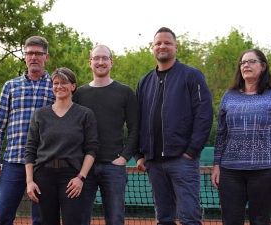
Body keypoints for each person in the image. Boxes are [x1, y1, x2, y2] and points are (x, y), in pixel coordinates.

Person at [134, 27, 213, 225]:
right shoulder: (144, 82)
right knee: (164, 219)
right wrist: (139, 154)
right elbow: (136, 120)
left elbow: (204, 115)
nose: (162, 46)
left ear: (176, 47)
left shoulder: (192, 76)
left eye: (167, 43)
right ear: (152, 48)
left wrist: (191, 151)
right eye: (158, 43)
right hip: (153, 163)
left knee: (190, 218)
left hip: (182, 160)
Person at [210, 49, 271, 225]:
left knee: (261, 221)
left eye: (251, 61)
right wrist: (217, 165)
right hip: (230, 172)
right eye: (242, 62)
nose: (246, 65)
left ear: (263, 66)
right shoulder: (228, 96)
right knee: (230, 221)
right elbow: (221, 134)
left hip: (265, 171)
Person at [0, 36, 54, 225]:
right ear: (25, 56)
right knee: (1, 218)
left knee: (42, 220)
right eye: (29, 53)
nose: (34, 57)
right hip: (13, 163)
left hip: (44, 163)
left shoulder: (56, 86)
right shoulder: (11, 86)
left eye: (38, 54)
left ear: (46, 57)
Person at [73, 44, 139, 225]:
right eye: (96, 58)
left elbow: (135, 128)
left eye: (104, 58)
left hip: (113, 167)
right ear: (90, 62)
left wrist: (125, 157)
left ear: (111, 62)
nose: (100, 62)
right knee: (79, 218)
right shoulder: (78, 94)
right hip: (83, 168)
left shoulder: (125, 92)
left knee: (115, 220)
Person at [25, 67, 99, 225]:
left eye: (64, 82)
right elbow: (30, 150)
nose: (59, 86)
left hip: (72, 176)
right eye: (56, 83)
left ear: (73, 86)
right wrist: (30, 181)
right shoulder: (40, 115)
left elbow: (91, 149)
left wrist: (81, 177)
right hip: (44, 175)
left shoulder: (85, 114)